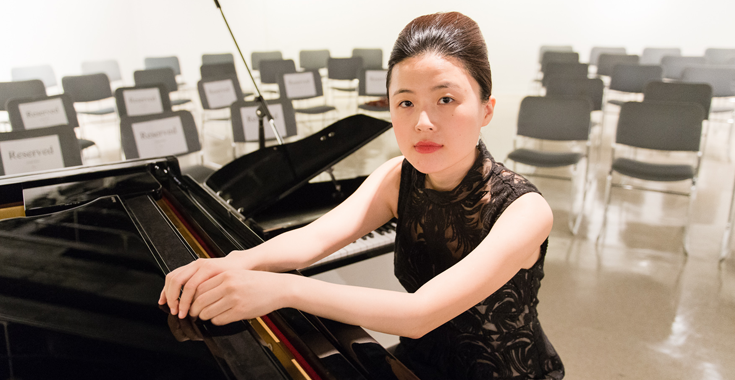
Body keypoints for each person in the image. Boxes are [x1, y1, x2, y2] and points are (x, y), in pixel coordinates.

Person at [160, 11, 564, 380]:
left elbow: (419, 314)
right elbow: (314, 240)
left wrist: (280, 289)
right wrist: (231, 263)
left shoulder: (524, 210)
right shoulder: (398, 177)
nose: (422, 122)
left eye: (446, 99)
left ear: (486, 109)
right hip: (416, 365)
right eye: (405, 102)